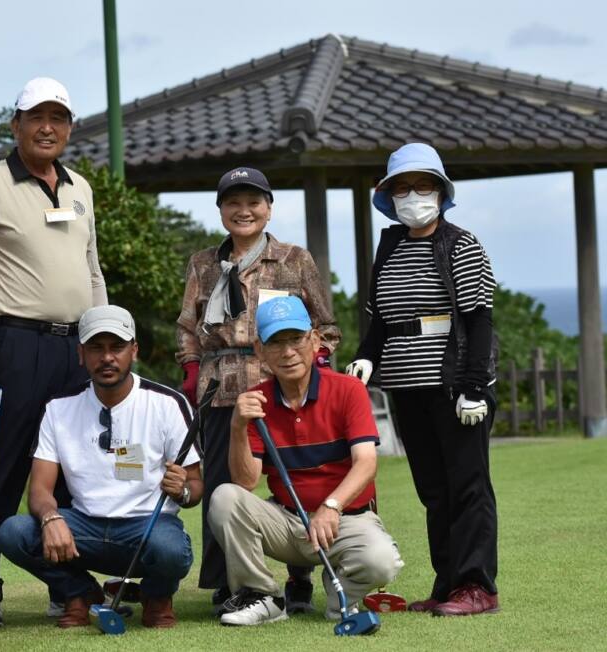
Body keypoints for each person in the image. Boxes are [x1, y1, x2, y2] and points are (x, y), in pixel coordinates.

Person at [0, 77, 108, 627]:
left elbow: (92, 270)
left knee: (75, 470)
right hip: (14, 344)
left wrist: (105, 334)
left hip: (76, 347)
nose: (47, 127)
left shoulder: (80, 188)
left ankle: (67, 587)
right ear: (14, 125)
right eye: (35, 117)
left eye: (58, 118)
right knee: (3, 467)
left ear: (68, 128)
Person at [175, 166, 340, 615]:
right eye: (233, 203)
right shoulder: (203, 264)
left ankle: (300, 576)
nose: (243, 211)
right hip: (219, 389)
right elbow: (187, 328)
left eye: (253, 202)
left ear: (268, 209)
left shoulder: (294, 259)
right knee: (223, 485)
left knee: (291, 482)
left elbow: (324, 325)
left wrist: (314, 365)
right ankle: (231, 583)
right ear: (220, 210)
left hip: (283, 388)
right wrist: (191, 368)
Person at [346, 142, 499, 616]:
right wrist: (367, 357)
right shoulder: (389, 245)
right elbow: (382, 321)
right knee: (434, 490)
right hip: (406, 385)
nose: (413, 196)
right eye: (403, 188)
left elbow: (478, 321)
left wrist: (474, 387)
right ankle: (449, 582)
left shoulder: (462, 243)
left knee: (468, 485)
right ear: (389, 196)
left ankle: (478, 587)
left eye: (423, 186)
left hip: (455, 386)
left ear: (441, 192)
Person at [0, 305, 201, 629]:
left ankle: (155, 596)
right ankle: (82, 593)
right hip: (84, 529)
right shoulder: (58, 408)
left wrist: (184, 490)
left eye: (117, 347)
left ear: (133, 351)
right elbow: (39, 490)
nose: (107, 357)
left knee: (171, 549)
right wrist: (51, 518)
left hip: (147, 528)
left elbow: (195, 487)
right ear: (81, 353)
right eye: (96, 347)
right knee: (13, 533)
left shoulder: (167, 403)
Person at [209, 296, 403, 626]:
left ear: (314, 341)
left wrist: (331, 506)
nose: (287, 352)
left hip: (345, 520)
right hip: (287, 523)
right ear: (260, 350)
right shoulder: (257, 400)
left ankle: (338, 594)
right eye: (276, 342)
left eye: (296, 339)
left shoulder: (348, 389)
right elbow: (245, 482)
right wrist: (238, 426)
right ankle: (264, 596)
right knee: (224, 497)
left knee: (382, 561)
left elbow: (367, 462)